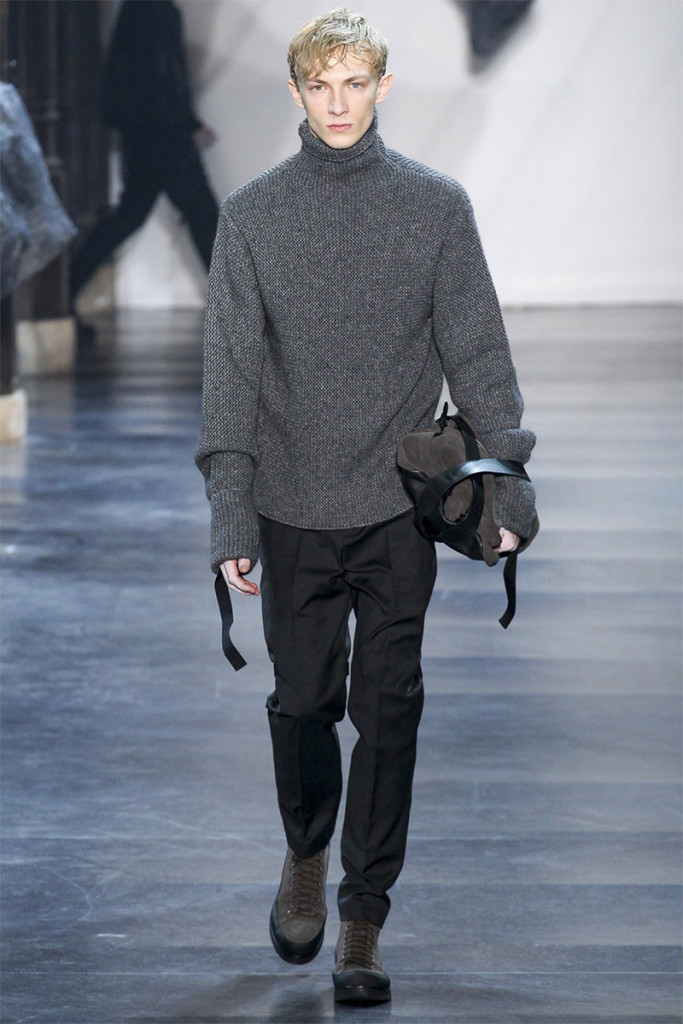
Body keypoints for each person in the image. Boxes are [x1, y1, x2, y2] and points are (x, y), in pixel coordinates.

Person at [196, 7, 536, 1006]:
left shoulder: (434, 208)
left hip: (396, 508)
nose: (337, 104)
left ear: (380, 87)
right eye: (320, 85)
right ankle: (306, 851)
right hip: (291, 505)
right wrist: (231, 516)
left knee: (387, 711)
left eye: (354, 84)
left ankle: (362, 915)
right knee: (302, 704)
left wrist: (505, 484)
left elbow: (477, 354)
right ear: (297, 92)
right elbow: (229, 381)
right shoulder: (253, 217)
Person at [69, 0, 219, 309]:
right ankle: (238, 304)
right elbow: (161, 78)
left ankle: (65, 290)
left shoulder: (137, 10)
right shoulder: (156, 11)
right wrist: (187, 123)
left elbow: (143, 77)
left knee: (133, 216)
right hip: (164, 135)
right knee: (202, 216)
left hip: (145, 133)